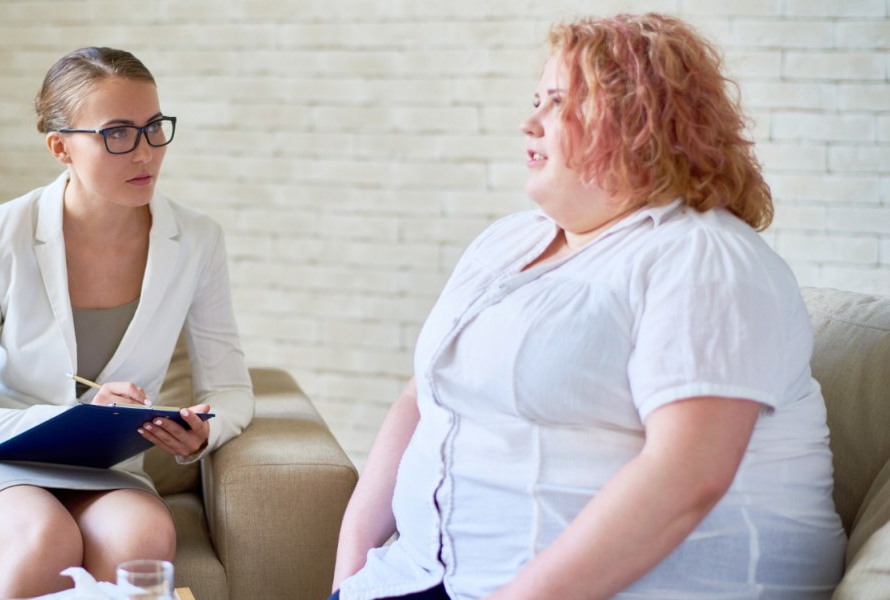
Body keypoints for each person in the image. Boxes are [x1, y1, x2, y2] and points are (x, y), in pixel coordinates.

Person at [330, 13, 846, 600]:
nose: (529, 123)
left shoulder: (704, 256)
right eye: (535, 101)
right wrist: (352, 577)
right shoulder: (508, 242)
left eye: (557, 103)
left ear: (638, 121)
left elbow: (687, 476)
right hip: (420, 579)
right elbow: (419, 397)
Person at [0, 47, 254, 599]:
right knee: (44, 539)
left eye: (155, 128)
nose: (145, 152)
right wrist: (73, 417)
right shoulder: (0, 231)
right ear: (60, 147)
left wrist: (204, 430)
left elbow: (229, 390)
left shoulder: (198, 241)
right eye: (117, 134)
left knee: (144, 540)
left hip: (105, 473)